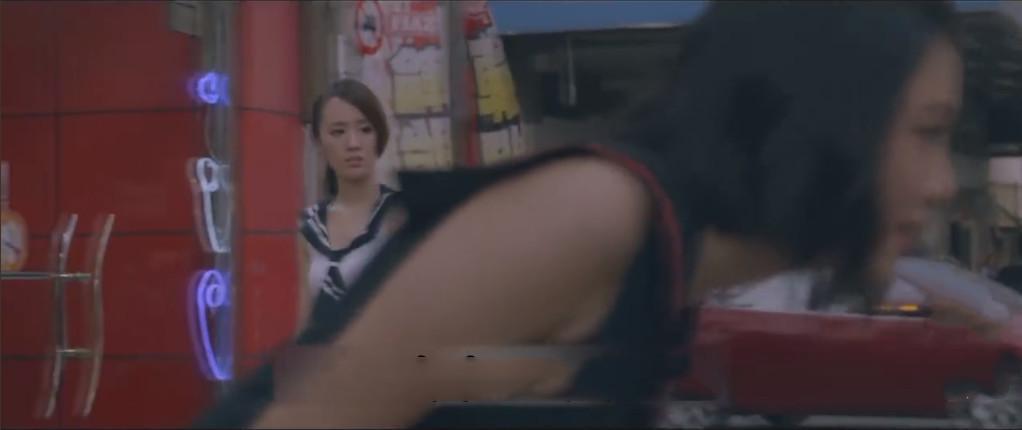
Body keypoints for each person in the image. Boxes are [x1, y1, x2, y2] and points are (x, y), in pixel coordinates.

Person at [194, 2, 996, 428]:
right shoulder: (595, 216)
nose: (939, 184)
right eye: (927, 131)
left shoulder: (668, 258)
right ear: (830, 119)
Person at [295, 79, 405, 334]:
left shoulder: (400, 214)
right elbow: (305, 320)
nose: (353, 143)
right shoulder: (309, 226)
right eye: (338, 132)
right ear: (319, 141)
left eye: (365, 129)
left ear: (379, 136)